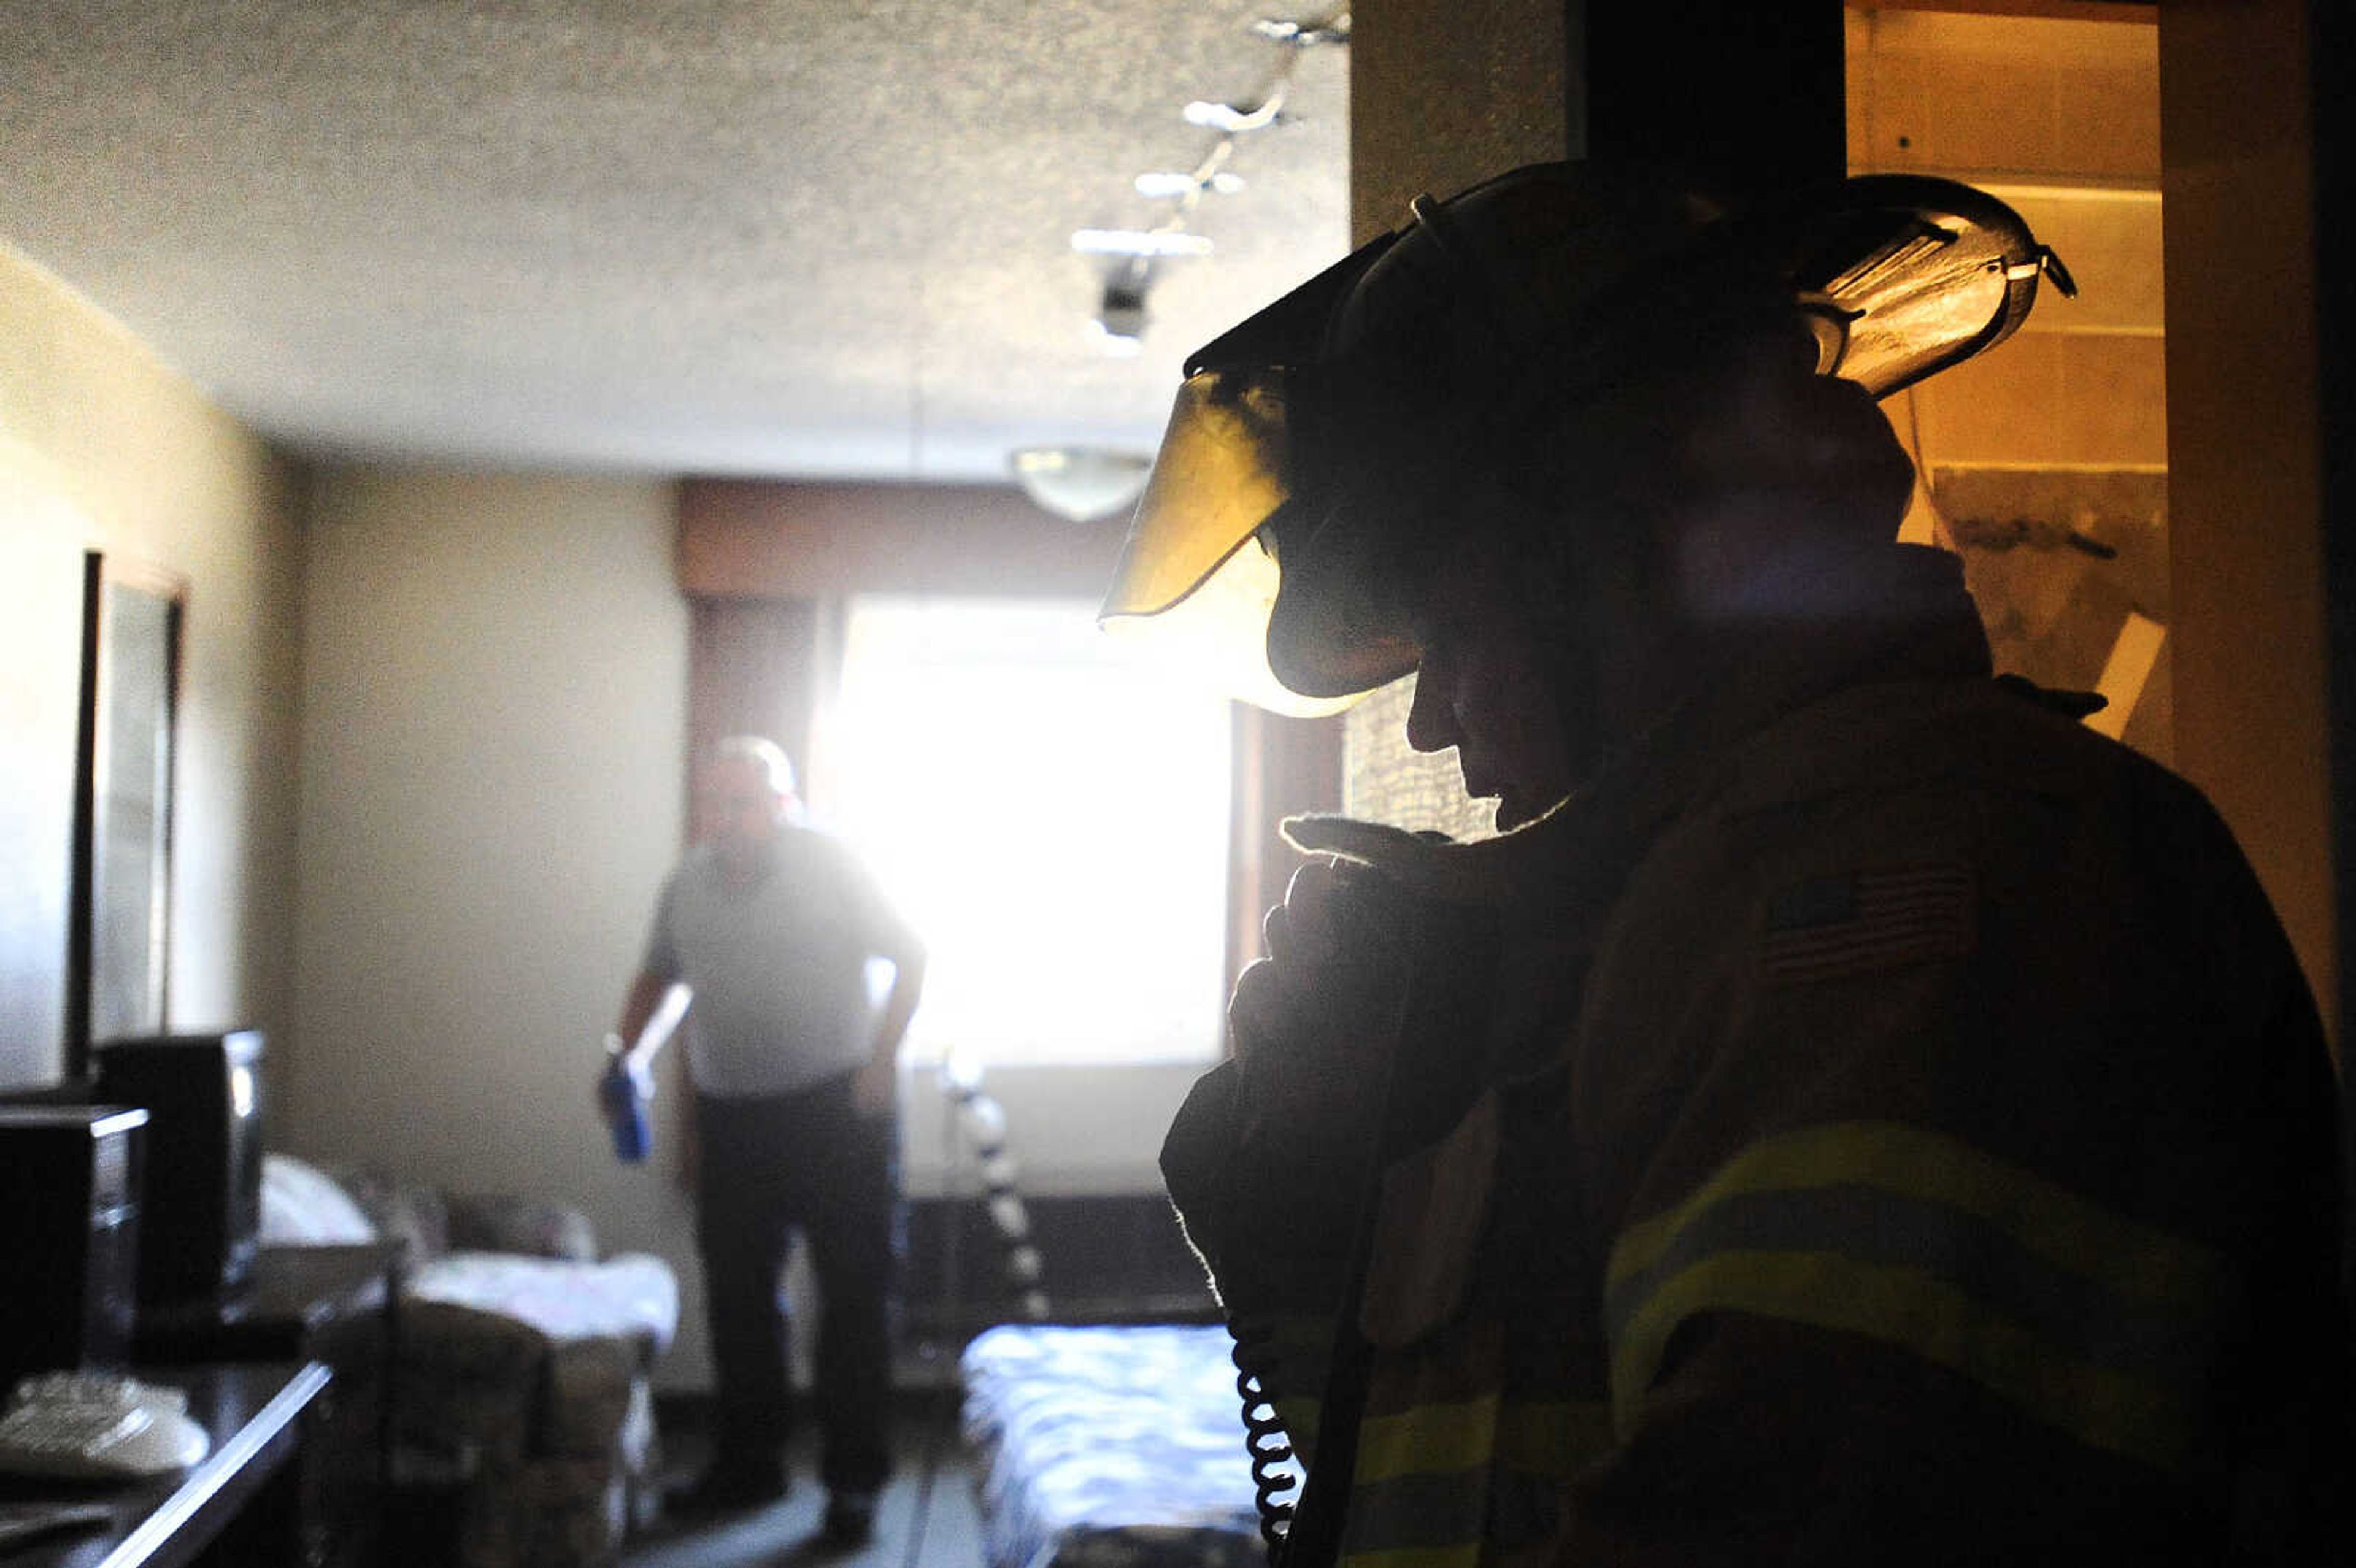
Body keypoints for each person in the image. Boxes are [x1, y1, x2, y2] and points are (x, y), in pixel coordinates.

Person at [1103, 163, 2349, 1563]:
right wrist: (1308, 1221)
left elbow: (1801, 1503)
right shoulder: (1686, 904)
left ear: (1607, 546)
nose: (1437, 719)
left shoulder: (1913, 878)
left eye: (1454, 632)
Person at [610, 734, 925, 1543]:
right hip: (735, 1117)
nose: (724, 817)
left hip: (839, 1110)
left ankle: (853, 1487)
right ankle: (749, 1467)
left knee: (853, 1301)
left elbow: (911, 954)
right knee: (740, 1304)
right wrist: (629, 1059)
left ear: (782, 806)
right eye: (713, 802)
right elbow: (661, 977)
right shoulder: (686, 883)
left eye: (742, 802)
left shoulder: (832, 865)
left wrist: (883, 1062)